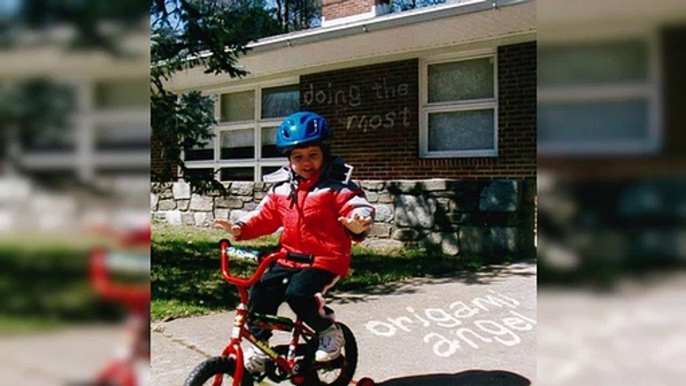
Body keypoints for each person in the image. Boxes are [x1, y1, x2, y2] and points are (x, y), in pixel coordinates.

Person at [214, 111, 374, 374]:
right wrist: (240, 228)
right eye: (298, 157)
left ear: (324, 154)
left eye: (313, 155)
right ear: (289, 159)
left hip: (326, 259)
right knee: (261, 290)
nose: (306, 162)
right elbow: (265, 215)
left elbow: (357, 205)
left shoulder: (336, 186)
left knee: (299, 293)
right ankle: (259, 347)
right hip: (288, 258)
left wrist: (358, 222)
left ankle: (329, 331)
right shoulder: (281, 188)